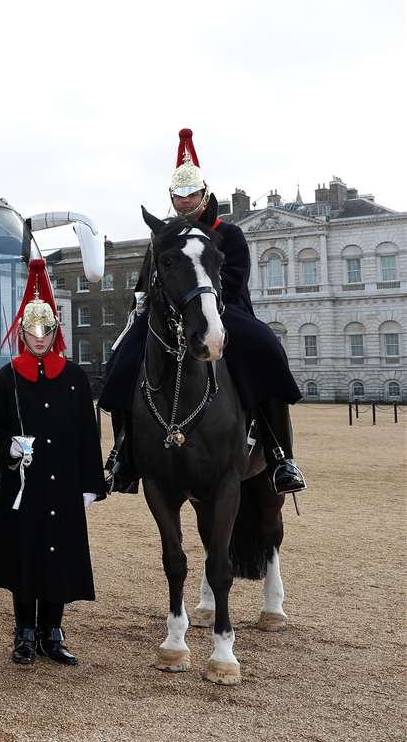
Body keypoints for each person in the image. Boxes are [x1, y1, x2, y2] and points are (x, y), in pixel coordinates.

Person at [101, 128, 306, 495]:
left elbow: (236, 276)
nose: (184, 202)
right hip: (167, 315)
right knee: (122, 360)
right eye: (178, 197)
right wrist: (143, 307)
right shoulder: (163, 236)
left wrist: (202, 299)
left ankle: (280, 455)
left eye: (191, 194)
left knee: (265, 348)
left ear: (205, 194)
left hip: (220, 310)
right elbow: (146, 282)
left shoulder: (228, 233)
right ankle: (123, 454)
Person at [0, 261, 103, 667]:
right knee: (25, 556)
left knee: (58, 556)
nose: (37, 338)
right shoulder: (4, 379)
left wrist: (90, 483)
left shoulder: (74, 377)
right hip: (22, 486)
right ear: (22, 333)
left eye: (44, 332)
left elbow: (88, 432)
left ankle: (53, 629)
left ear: (54, 333)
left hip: (64, 482)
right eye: (30, 333)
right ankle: (25, 631)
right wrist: (9, 450)